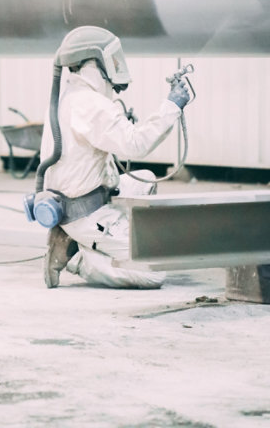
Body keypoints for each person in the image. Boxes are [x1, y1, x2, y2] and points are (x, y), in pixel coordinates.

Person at [38, 25, 190, 289]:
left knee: (145, 179)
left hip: (85, 195)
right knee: (153, 274)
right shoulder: (91, 105)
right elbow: (136, 144)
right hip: (84, 213)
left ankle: (110, 241)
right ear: (96, 61)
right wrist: (171, 106)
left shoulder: (76, 98)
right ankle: (77, 255)